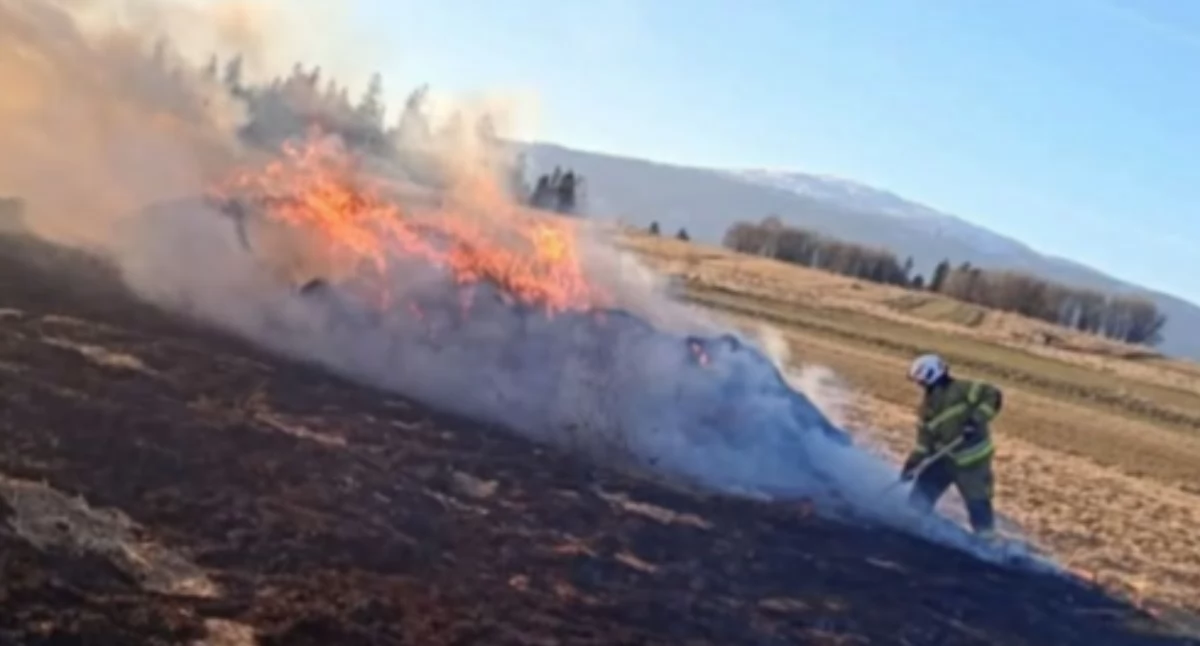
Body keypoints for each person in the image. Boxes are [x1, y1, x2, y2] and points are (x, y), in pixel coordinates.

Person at [901, 353, 1003, 539]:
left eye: (921, 381)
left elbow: (993, 395)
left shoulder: (963, 389)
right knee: (921, 495)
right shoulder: (927, 409)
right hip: (945, 460)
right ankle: (913, 528)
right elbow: (924, 444)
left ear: (932, 376)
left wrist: (976, 420)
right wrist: (911, 466)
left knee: (977, 502)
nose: (919, 386)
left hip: (973, 463)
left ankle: (987, 542)